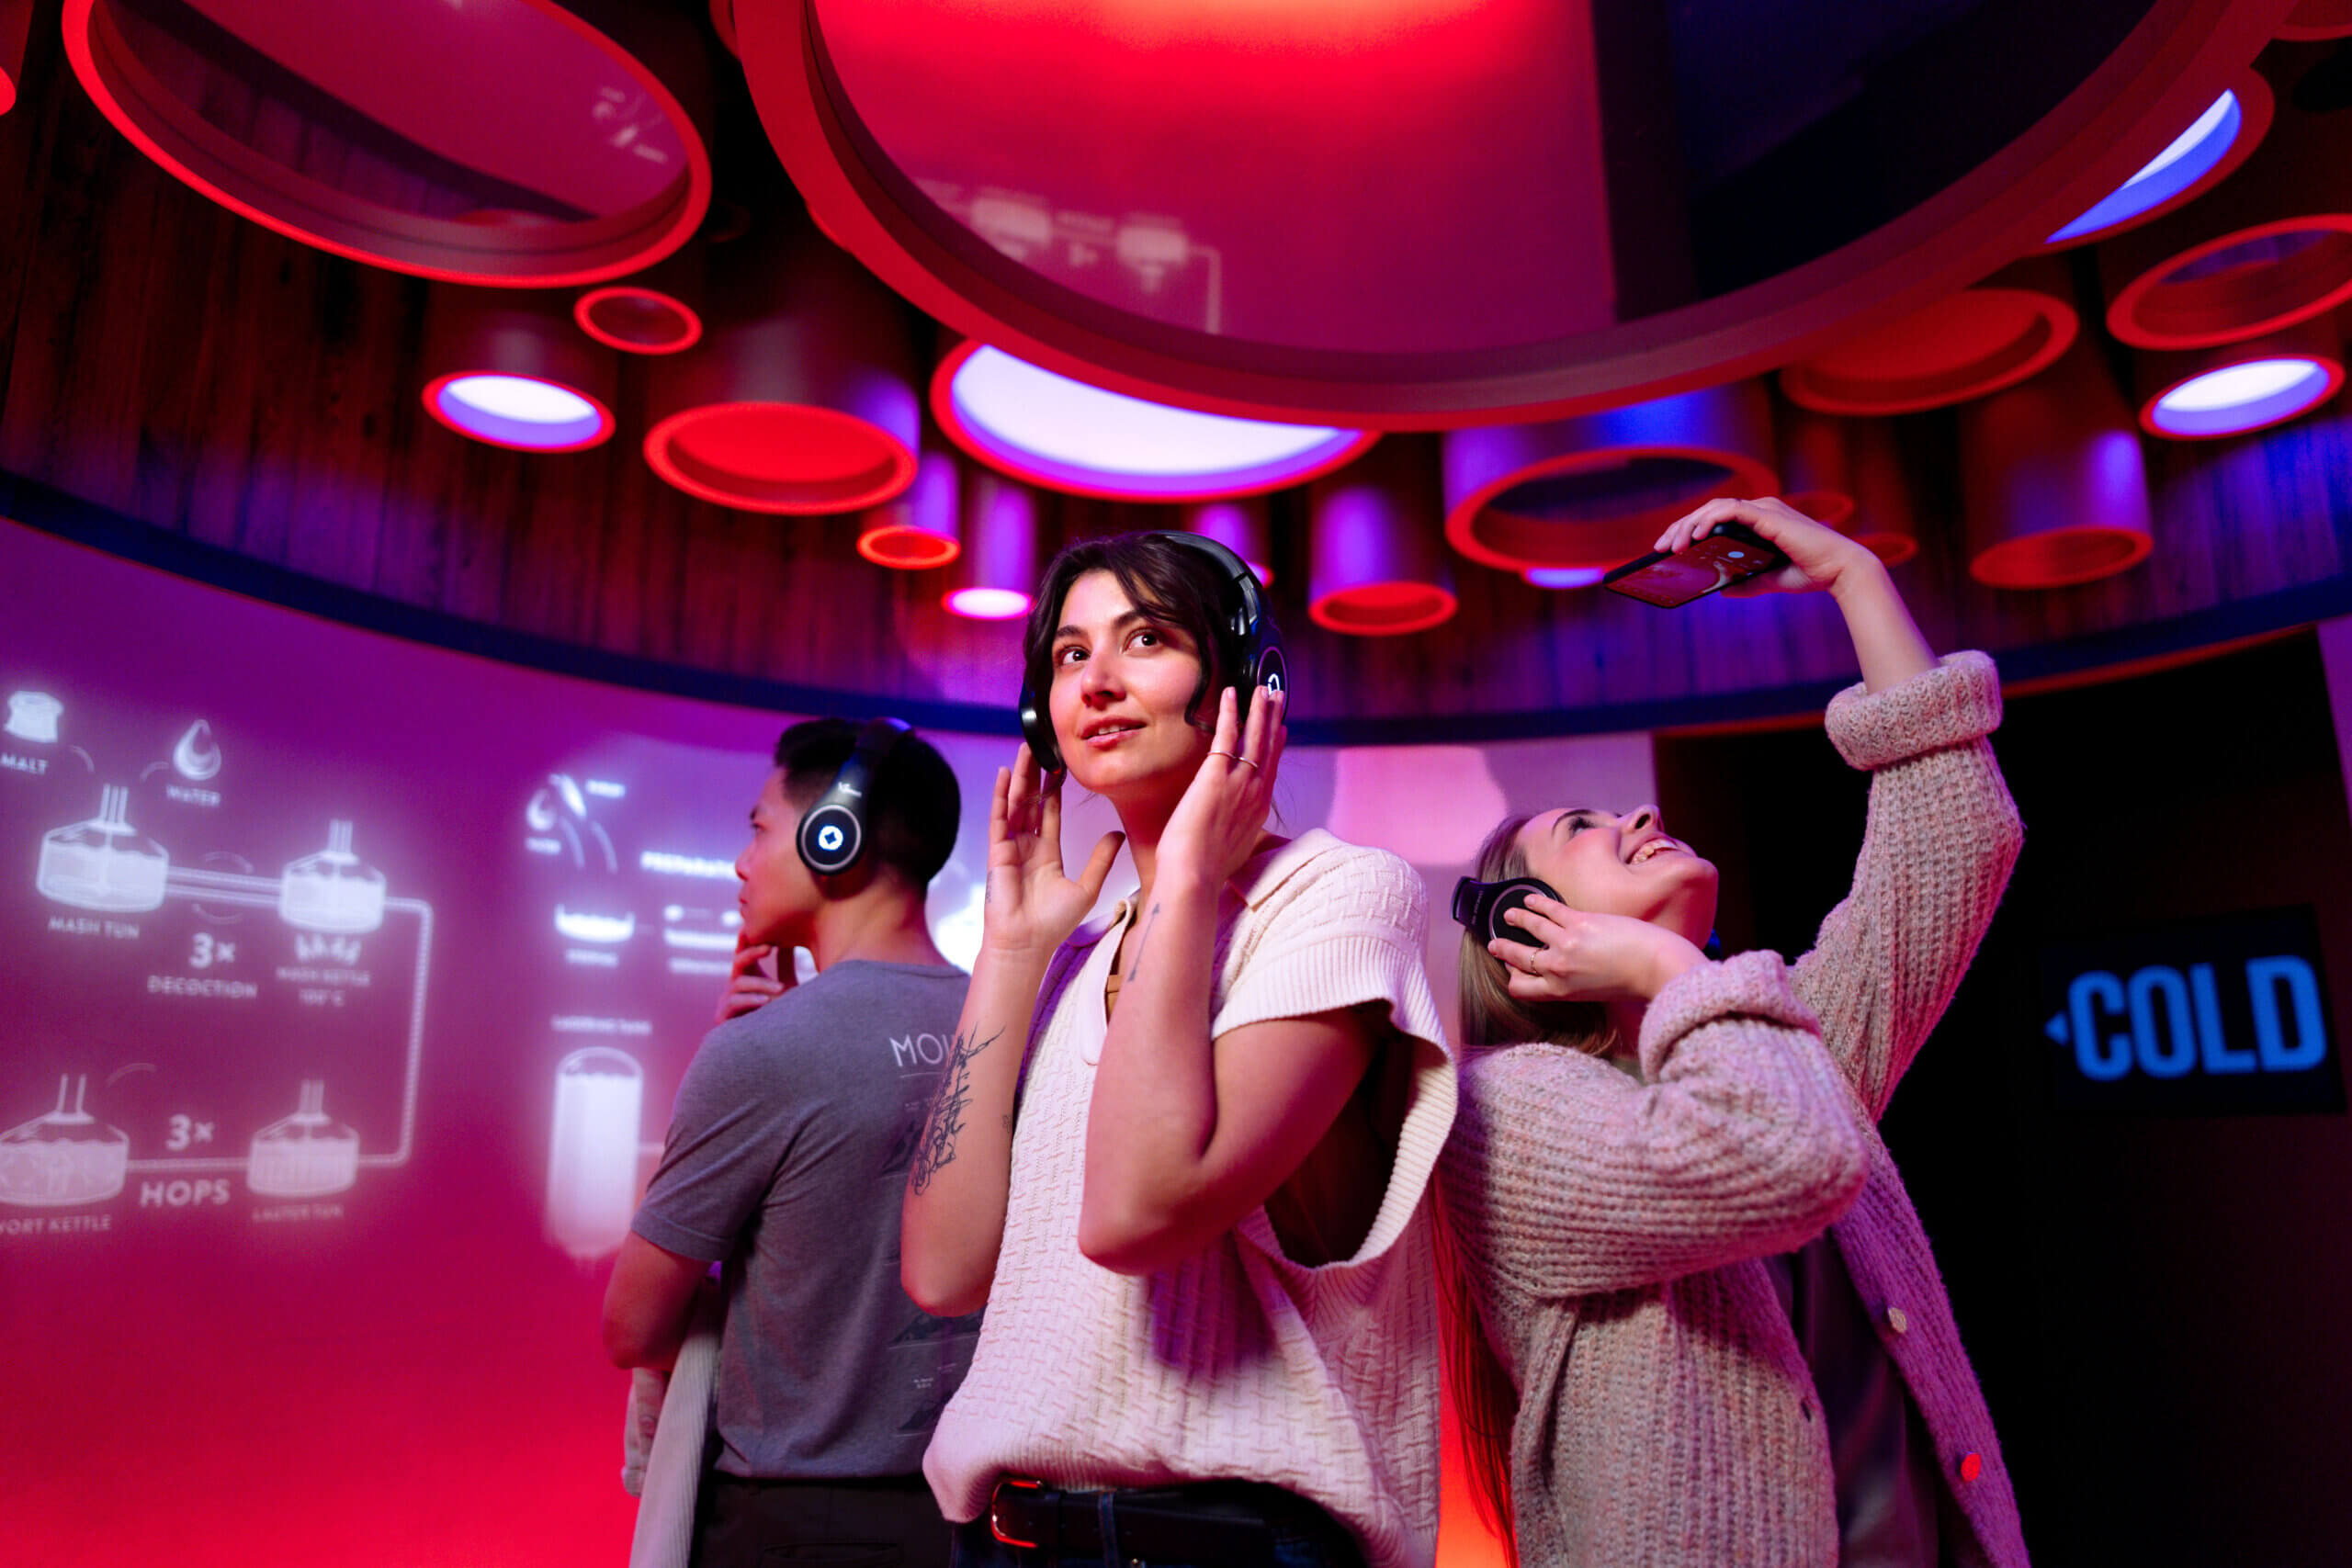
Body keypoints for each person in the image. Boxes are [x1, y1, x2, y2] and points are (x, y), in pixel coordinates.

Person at [1435, 497, 2031, 1568]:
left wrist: (1853, 577)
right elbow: (1775, 1155)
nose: (1642, 819)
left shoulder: (1774, 1047)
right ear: (1523, 924)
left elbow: (1955, 839)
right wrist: (1671, 968)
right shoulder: (1505, 1113)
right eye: (1584, 829)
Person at [901, 532, 1456, 1568]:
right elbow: (942, 1270)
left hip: (1225, 1546)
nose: (1097, 681)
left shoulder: (1335, 894)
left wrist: (1190, 870)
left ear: (1249, 680)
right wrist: (1012, 953)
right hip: (1012, 1536)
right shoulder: (1075, 957)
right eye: (1070, 655)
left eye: (1146, 638)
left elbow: (1134, 1214)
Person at [604, 717, 978, 1568]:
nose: (742, 863)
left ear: (831, 834)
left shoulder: (761, 1054)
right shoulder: (1016, 1024)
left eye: (759, 828)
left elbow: (634, 1328)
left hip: (799, 1524)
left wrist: (741, 1070)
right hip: (979, 1521)